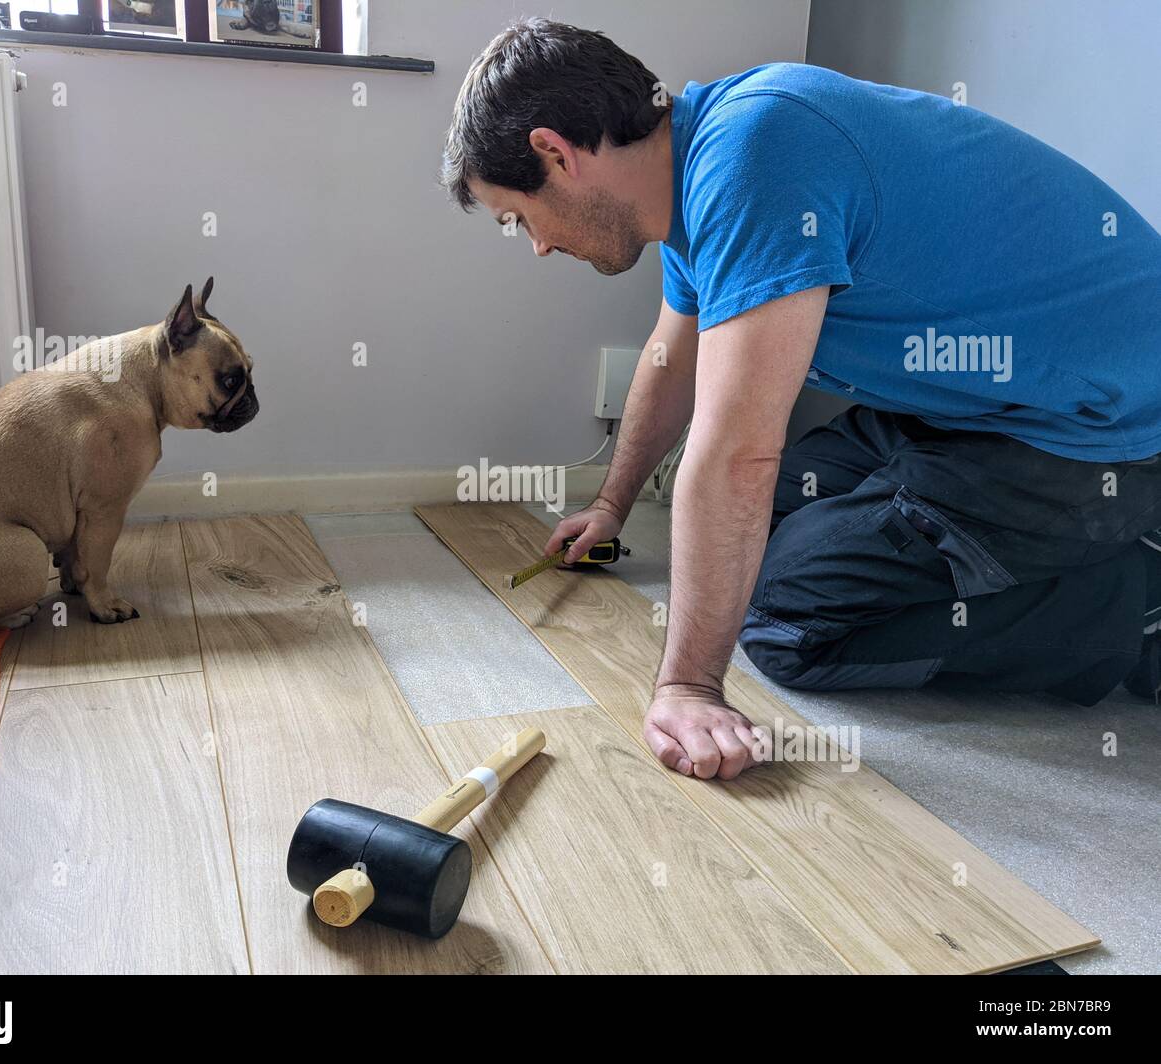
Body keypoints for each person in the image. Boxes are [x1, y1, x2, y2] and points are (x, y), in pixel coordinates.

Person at [441, 18, 1161, 781]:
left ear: (555, 154)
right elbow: (670, 359)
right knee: (763, 520)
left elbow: (739, 453)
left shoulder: (758, 152)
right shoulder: (696, 178)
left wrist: (688, 686)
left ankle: (1138, 609)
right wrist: (613, 506)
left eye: (519, 218)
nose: (539, 246)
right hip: (975, 409)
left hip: (1105, 432)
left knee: (787, 620)